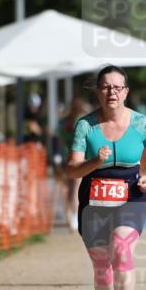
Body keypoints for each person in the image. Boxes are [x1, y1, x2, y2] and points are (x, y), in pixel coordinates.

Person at [66, 66, 146, 290]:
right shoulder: (85, 126)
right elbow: (72, 170)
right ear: (98, 91)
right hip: (93, 200)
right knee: (100, 264)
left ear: (126, 91)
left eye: (117, 87)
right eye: (106, 87)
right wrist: (94, 162)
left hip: (130, 196)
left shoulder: (142, 124)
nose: (112, 92)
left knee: (121, 249)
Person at [56, 97, 89, 231]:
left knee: (68, 187)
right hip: (78, 157)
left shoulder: (64, 122)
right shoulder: (82, 121)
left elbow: (59, 138)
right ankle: (75, 215)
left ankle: (70, 214)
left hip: (66, 157)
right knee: (76, 187)